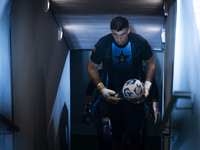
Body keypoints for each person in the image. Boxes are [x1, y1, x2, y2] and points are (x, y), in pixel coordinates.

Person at [88, 16, 160, 150]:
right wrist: (102, 89)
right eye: (115, 35)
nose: (119, 39)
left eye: (122, 34)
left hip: (137, 97)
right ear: (111, 31)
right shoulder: (103, 44)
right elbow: (92, 68)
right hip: (114, 97)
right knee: (116, 135)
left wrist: (147, 87)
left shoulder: (139, 42)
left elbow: (151, 63)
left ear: (128, 30)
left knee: (134, 135)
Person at [82, 69, 112, 150]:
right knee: (103, 140)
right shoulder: (101, 73)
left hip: (117, 109)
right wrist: (86, 109)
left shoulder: (126, 72)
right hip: (100, 109)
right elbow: (90, 89)